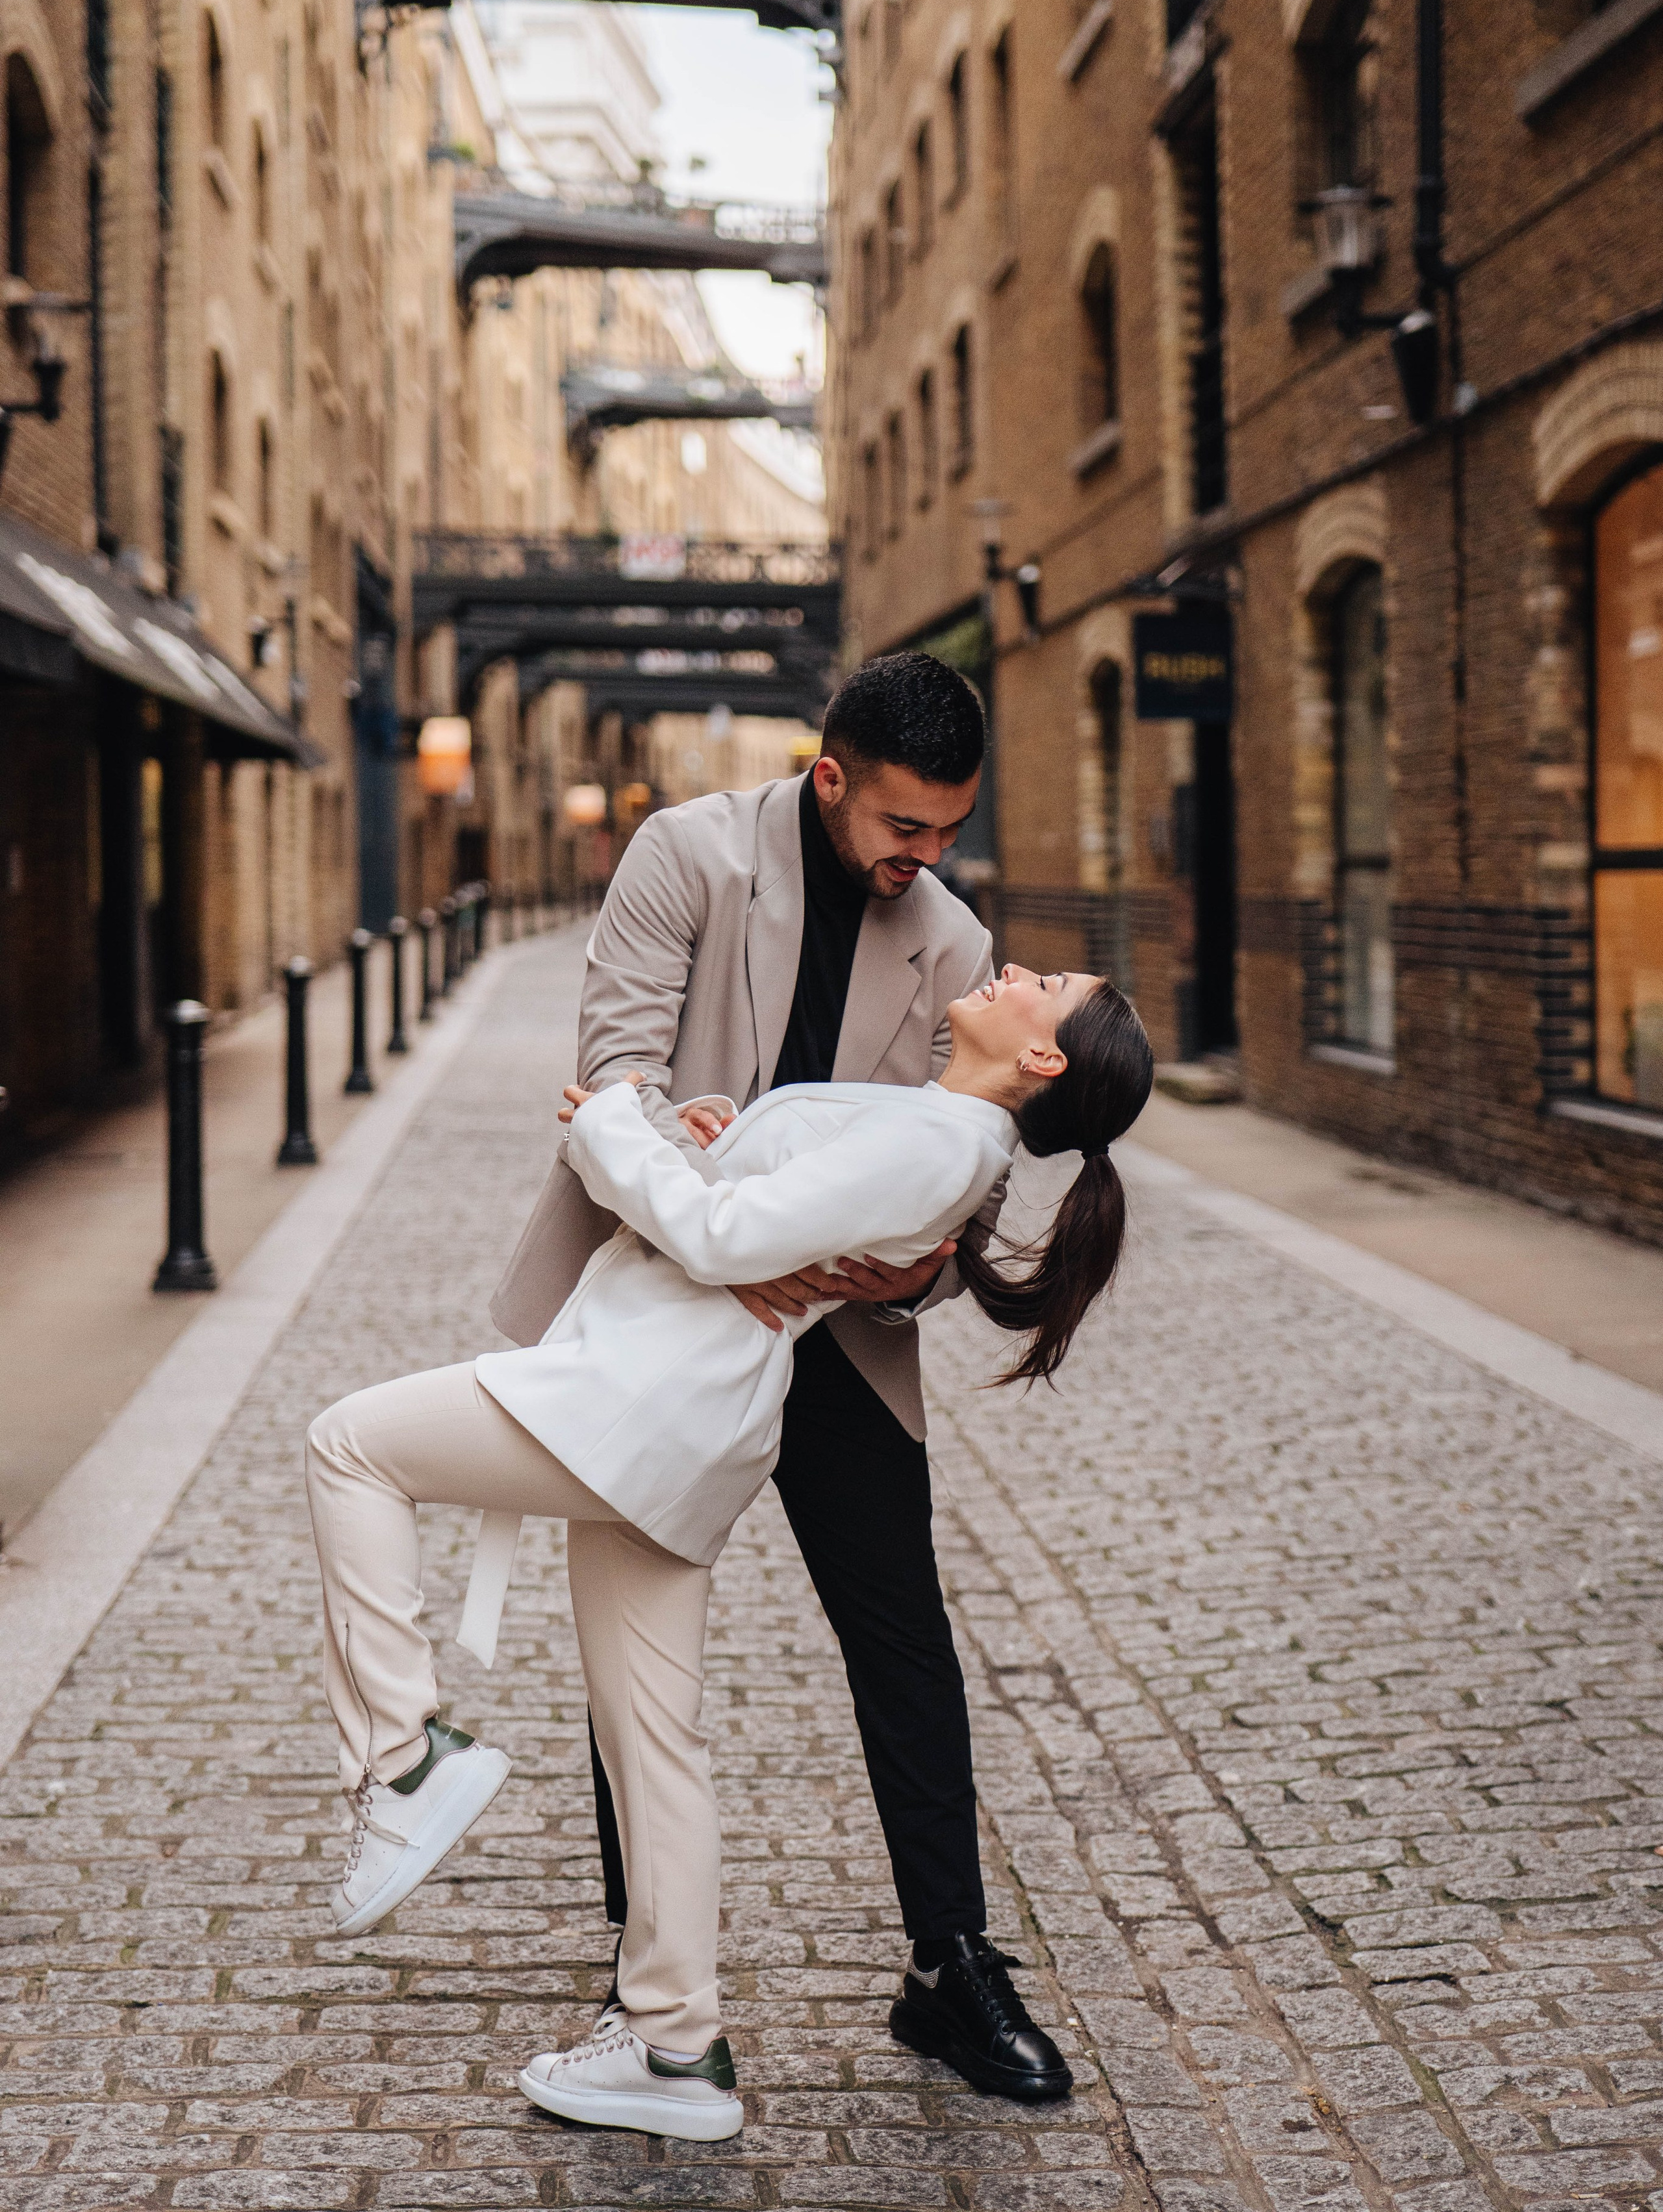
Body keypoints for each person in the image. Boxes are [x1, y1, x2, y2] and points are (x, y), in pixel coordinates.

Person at [304, 964, 1154, 2143]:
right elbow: (754, 1208)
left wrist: (610, 1125)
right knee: (654, 1737)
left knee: (348, 1444)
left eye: (1047, 986)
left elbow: (715, 1237)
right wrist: (720, 1133)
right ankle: (672, 2044)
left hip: (636, 1397)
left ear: (1044, 1058)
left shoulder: (950, 1144)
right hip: (676, 1412)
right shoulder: (932, 1122)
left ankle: (402, 1760)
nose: (1017, 970)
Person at [493, 651, 1073, 2100]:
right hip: (666, 1312)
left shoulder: (949, 936)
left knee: (904, 1644)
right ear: (828, 779)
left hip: (839, 1341)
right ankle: (651, 1997)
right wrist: (722, 1236)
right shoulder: (685, 856)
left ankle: (950, 1966)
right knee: (634, 1665)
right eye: (902, 829)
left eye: (947, 831)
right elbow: (615, 1078)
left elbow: (963, 1191)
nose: (925, 861)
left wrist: (908, 1272)